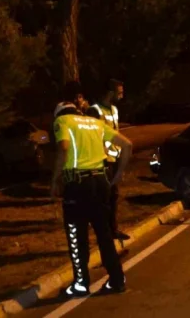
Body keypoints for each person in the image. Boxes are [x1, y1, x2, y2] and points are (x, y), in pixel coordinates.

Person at [53, 81, 132, 297]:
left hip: (77, 184)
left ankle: (81, 283)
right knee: (104, 234)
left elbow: (63, 149)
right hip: (101, 181)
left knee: (76, 234)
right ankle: (117, 280)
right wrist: (116, 175)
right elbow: (127, 145)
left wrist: (55, 179)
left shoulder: (63, 121)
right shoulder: (94, 122)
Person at [86, 79, 129, 241]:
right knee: (103, 197)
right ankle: (103, 233)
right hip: (103, 160)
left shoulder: (114, 110)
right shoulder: (94, 110)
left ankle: (113, 230)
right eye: (119, 92)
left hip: (115, 158)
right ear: (110, 93)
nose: (122, 95)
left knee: (113, 196)